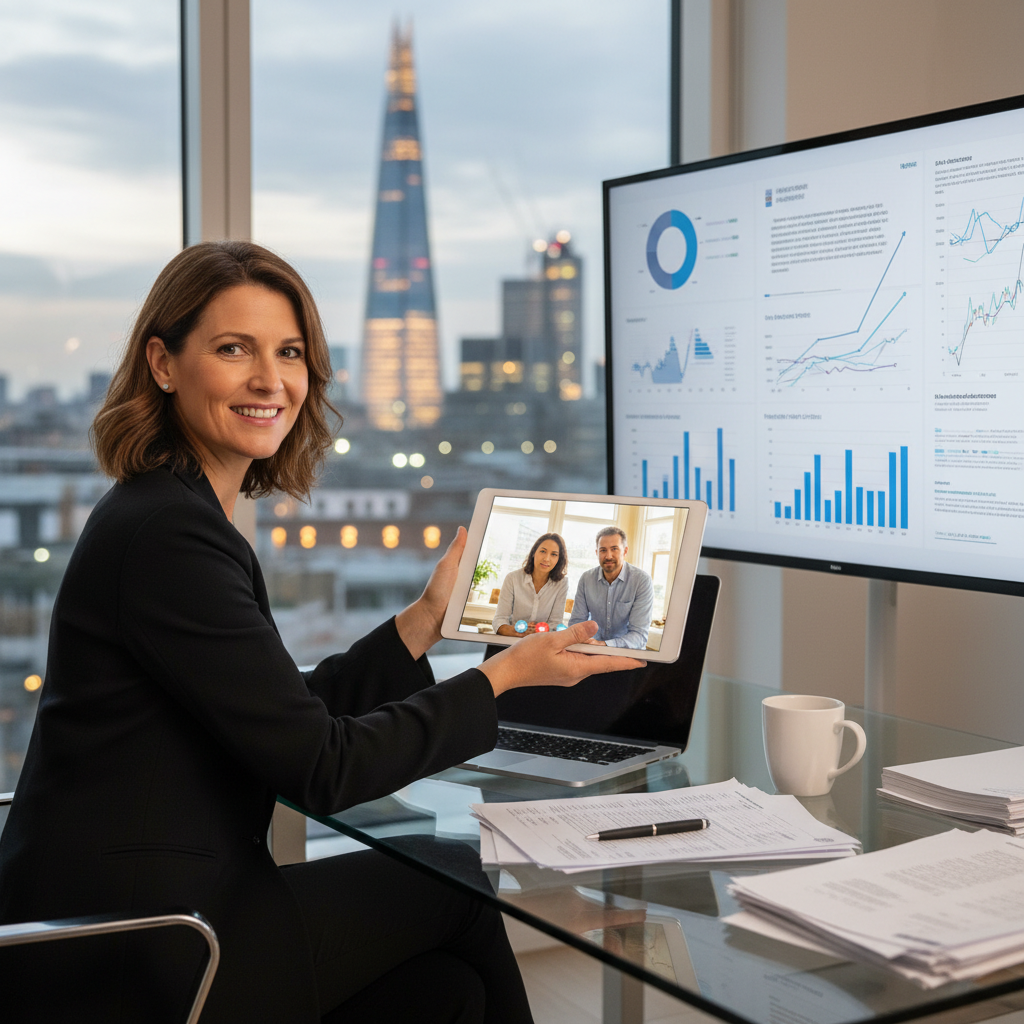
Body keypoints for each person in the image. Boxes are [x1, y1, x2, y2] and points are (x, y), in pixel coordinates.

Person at [0, 241, 642, 1024]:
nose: (271, 379)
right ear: (163, 363)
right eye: (235, 349)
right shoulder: (171, 535)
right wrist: (501, 678)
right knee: (453, 880)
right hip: (143, 943)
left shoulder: (168, 512)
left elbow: (280, 714)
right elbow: (322, 769)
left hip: (146, 908)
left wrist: (423, 623)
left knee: (450, 995)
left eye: (290, 352)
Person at [568, 526, 654, 650]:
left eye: (614, 549)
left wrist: (604, 645)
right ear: (597, 553)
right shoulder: (586, 579)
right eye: (603, 550)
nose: (608, 556)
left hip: (627, 654)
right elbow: (576, 623)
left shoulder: (642, 581)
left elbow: (639, 636)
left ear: (625, 551)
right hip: (593, 651)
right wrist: (586, 642)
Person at [491, 533, 569, 637]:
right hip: (511, 640)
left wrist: (537, 631)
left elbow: (555, 624)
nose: (546, 558)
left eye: (554, 554)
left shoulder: (562, 584)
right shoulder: (513, 578)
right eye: (543, 551)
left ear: (559, 559)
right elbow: (500, 619)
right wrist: (516, 631)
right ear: (533, 553)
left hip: (540, 643)